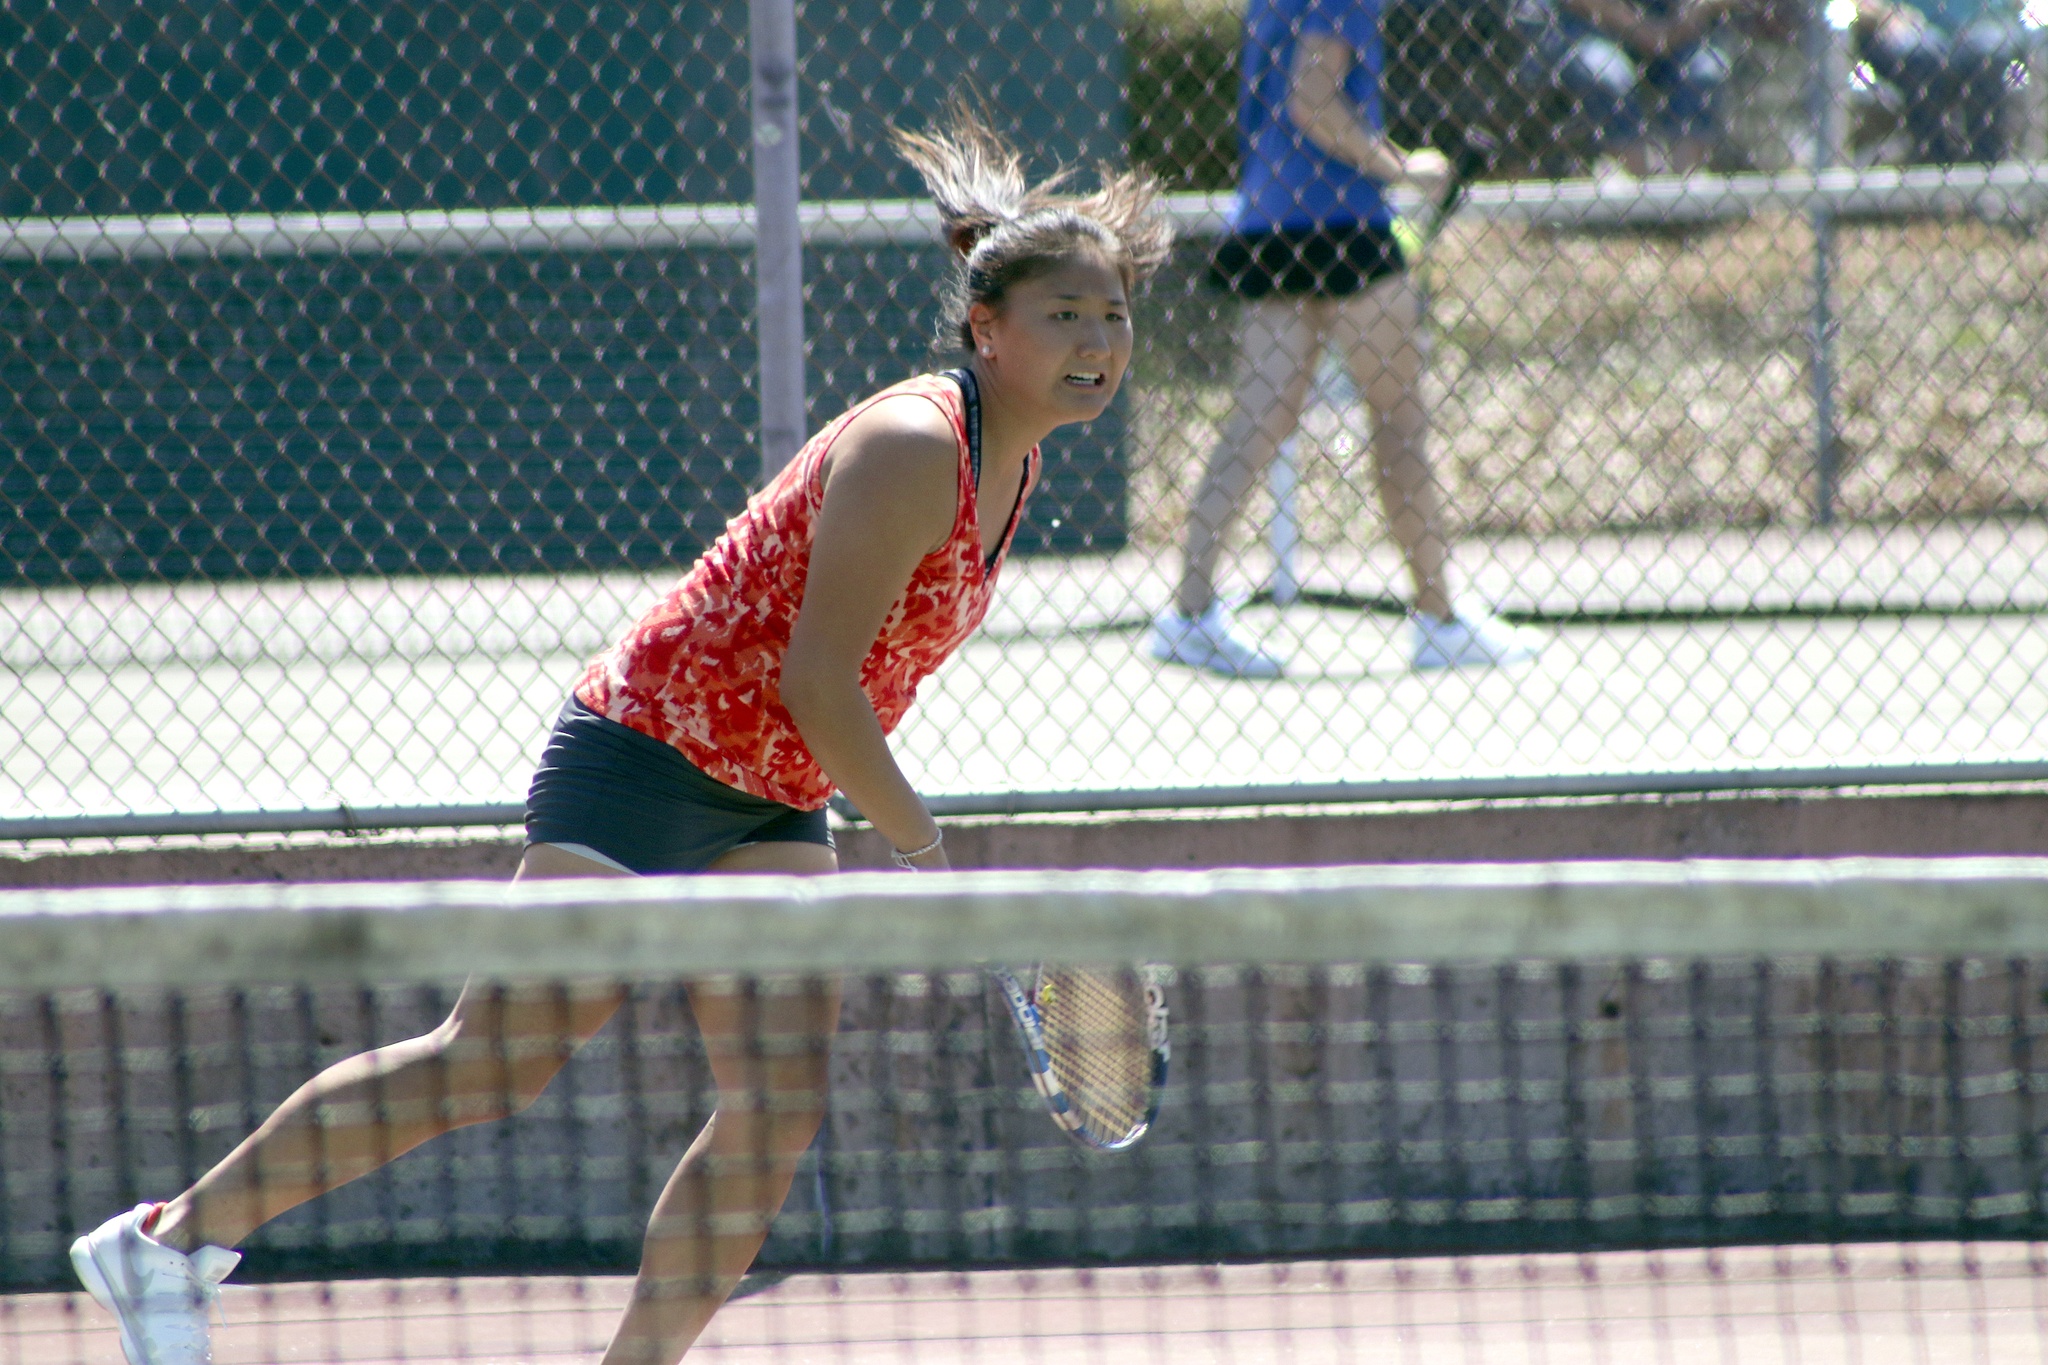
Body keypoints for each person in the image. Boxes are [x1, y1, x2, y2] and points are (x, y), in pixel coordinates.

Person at [64, 107, 1171, 1365]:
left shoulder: (1014, 465)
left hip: (767, 789)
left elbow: (821, 701)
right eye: (1064, 316)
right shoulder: (918, 445)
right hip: (645, 753)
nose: (1095, 343)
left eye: (1113, 316)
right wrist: (929, 869)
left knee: (774, 1104)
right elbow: (820, 679)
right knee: (493, 1063)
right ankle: (162, 1243)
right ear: (987, 329)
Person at [1150, 0, 1543, 679]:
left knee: (1256, 420)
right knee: (1398, 420)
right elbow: (1313, 101)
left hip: (1267, 221)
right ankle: (1439, 619)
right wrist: (1401, 167)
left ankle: (1188, 615)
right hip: (1345, 226)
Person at [1532, 0, 1743, 176]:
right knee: (1607, 77)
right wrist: (1642, 31)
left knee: (1705, 71)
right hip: (1596, 24)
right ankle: (1642, 189)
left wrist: (1691, 14)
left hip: (1676, 28)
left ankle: (1680, 194)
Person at [1851, 0, 2028, 166]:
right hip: (1910, 25)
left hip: (1985, 21)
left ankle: (1985, 165)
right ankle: (1933, 165)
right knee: (1924, 59)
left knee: (1984, 55)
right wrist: (1882, 12)